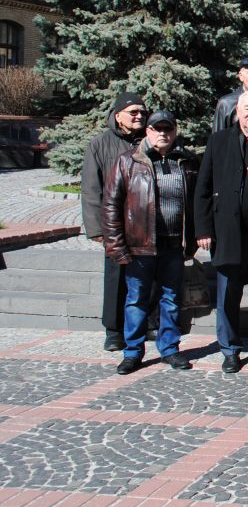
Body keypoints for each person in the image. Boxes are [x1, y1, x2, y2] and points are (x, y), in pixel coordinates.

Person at [102, 110, 197, 375]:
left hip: (173, 244)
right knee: (136, 300)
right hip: (140, 244)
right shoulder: (128, 161)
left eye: (168, 129)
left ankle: (169, 348)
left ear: (175, 132)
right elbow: (110, 204)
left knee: (171, 298)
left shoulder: (187, 161)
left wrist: (193, 239)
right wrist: (116, 244)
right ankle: (133, 351)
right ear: (148, 131)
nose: (163, 134)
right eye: (157, 129)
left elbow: (197, 202)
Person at [195, 90, 248, 374]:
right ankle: (230, 349)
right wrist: (203, 229)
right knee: (228, 293)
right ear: (237, 111)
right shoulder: (219, 140)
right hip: (229, 230)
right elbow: (203, 187)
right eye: (247, 108)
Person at [82, 92, 147, 352]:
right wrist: (97, 229)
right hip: (116, 224)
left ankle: (147, 324)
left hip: (146, 223)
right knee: (116, 278)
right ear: (118, 116)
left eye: (142, 112)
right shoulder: (100, 144)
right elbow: (91, 188)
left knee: (148, 276)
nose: (139, 116)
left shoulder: (150, 139)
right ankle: (114, 330)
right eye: (133, 112)